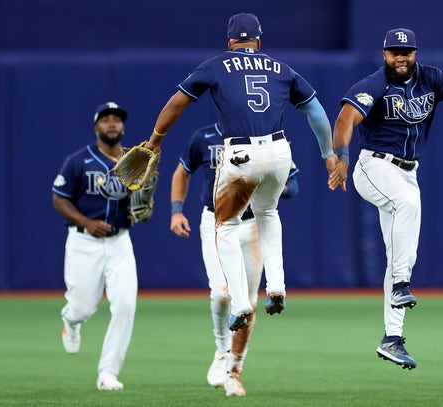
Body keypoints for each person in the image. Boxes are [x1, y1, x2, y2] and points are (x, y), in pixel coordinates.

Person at [329, 28, 443, 370]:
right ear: (383, 55)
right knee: (408, 206)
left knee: (398, 247)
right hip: (373, 166)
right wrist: (341, 156)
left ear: (415, 53)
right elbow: (345, 118)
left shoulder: (431, 78)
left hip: (407, 172)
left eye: (408, 51)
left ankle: (392, 338)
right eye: (395, 52)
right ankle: (402, 283)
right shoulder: (374, 85)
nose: (402, 57)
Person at [142, 13, 338, 334]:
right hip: (279, 152)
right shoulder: (281, 67)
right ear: (258, 41)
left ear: (230, 42)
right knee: (269, 213)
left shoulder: (216, 65)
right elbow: (314, 108)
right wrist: (329, 155)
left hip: (241, 152)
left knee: (225, 226)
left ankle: (241, 303)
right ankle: (276, 286)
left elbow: (178, 103)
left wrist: (156, 139)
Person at [170, 122, 299, 397]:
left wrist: (272, 186)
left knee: (248, 303)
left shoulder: (263, 138)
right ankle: (221, 349)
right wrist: (176, 210)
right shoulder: (203, 136)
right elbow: (182, 172)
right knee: (221, 294)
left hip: (252, 224)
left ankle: (234, 372)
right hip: (216, 221)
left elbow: (293, 185)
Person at [52, 101, 148, 390]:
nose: (111, 124)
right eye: (105, 119)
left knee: (126, 306)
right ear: (96, 127)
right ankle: (71, 319)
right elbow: (59, 198)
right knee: (83, 307)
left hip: (119, 242)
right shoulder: (79, 160)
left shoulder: (133, 161)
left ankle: (108, 373)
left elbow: (141, 202)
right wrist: (86, 220)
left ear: (123, 126)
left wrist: (142, 204)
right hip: (84, 240)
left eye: (117, 120)